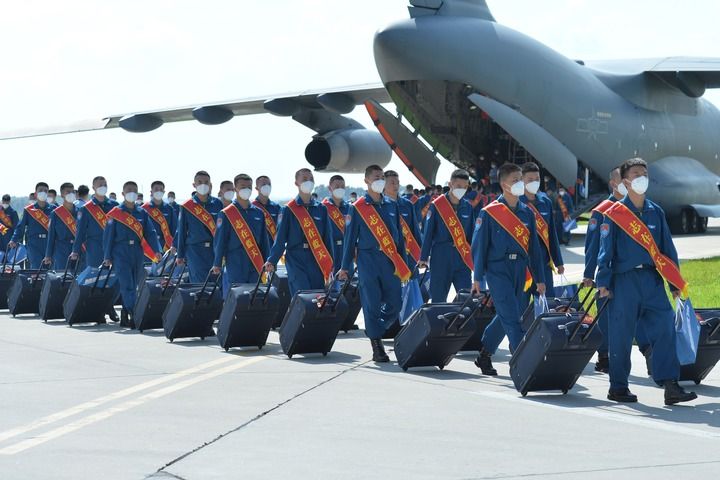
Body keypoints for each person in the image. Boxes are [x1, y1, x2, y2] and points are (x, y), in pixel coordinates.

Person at [597, 158, 696, 405]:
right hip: (624, 281)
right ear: (626, 181)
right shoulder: (615, 214)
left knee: (665, 329)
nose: (642, 178)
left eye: (645, 173)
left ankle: (670, 385)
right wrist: (603, 282)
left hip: (652, 280)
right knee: (621, 335)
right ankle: (618, 386)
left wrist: (675, 283)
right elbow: (605, 251)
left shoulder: (655, 211)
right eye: (636, 174)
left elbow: (667, 250)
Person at [471, 163, 546, 375]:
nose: (520, 184)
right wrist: (477, 277)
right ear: (504, 184)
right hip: (497, 269)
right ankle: (523, 363)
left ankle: (484, 353)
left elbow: (534, 249)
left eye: (521, 180)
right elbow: (479, 247)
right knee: (512, 317)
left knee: (509, 314)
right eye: (515, 180)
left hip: (520, 269)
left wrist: (540, 278)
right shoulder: (489, 212)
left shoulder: (527, 213)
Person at [338, 165, 409, 362]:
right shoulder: (357, 207)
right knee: (372, 304)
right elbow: (349, 240)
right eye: (376, 177)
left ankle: (376, 329)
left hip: (390, 260)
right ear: (367, 181)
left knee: (396, 302)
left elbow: (398, 237)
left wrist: (403, 264)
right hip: (367, 260)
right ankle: (377, 345)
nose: (380, 180)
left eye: (382, 177)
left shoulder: (391, 205)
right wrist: (345, 267)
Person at [583, 168, 651, 374]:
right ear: (614, 184)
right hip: (608, 273)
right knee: (606, 317)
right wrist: (588, 273)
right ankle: (605, 356)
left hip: (631, 274)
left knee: (637, 315)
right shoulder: (602, 210)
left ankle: (649, 353)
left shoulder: (637, 208)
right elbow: (593, 245)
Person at [263, 168, 334, 295]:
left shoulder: (321, 209)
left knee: (318, 296)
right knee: (302, 295)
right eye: (305, 179)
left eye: (311, 179)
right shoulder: (288, 209)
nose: (309, 182)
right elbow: (280, 239)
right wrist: (272, 260)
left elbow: (328, 238)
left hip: (316, 258)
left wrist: (331, 263)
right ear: (296, 183)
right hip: (296, 258)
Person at [104, 181, 162, 326]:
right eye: (129, 190)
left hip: (137, 251)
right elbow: (108, 237)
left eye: (134, 191)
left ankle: (125, 314)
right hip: (120, 252)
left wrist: (157, 250)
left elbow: (150, 233)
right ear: (123, 193)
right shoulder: (115, 213)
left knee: (135, 285)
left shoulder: (142, 213)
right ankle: (135, 314)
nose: (132, 193)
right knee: (127, 285)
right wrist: (107, 257)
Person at [419, 169, 475, 302]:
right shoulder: (437, 205)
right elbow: (428, 233)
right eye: (459, 186)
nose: (462, 189)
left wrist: (476, 258)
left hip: (462, 257)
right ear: (450, 184)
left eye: (465, 187)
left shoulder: (467, 206)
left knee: (466, 298)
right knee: (438, 299)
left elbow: (472, 235)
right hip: (441, 256)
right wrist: (423, 257)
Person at [71, 176, 120, 322]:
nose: (102, 187)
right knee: (96, 280)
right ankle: (98, 311)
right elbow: (80, 233)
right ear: (93, 188)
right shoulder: (86, 209)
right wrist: (75, 250)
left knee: (116, 280)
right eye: (100, 185)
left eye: (105, 184)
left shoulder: (115, 206)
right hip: (94, 248)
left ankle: (109, 306)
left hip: (114, 247)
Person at [212, 174, 270, 289]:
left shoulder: (258, 213)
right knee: (237, 294)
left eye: (249, 187)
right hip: (235, 261)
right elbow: (220, 241)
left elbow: (264, 240)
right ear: (235, 189)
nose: (246, 190)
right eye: (243, 187)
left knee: (256, 294)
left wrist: (268, 260)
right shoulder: (226, 213)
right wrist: (217, 263)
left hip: (255, 260)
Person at [519, 162, 565, 298]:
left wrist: (558, 261)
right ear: (522, 180)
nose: (534, 182)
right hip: (523, 265)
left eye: (537, 179)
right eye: (530, 180)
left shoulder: (545, 202)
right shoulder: (516, 202)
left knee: (547, 303)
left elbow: (551, 234)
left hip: (543, 262)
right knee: (521, 306)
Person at [176, 171, 223, 283]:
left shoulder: (217, 203)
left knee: (216, 283)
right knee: (199, 284)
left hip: (214, 250)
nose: (203, 185)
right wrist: (180, 255)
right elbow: (182, 232)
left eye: (206, 182)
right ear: (194, 185)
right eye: (200, 182)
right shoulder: (187, 206)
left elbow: (222, 230)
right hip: (195, 250)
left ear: (210, 184)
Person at [9, 182, 55, 269]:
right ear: (35, 194)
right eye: (40, 190)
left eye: (45, 191)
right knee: (36, 270)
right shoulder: (29, 210)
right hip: (34, 244)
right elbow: (20, 227)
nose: (43, 192)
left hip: (49, 243)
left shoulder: (54, 210)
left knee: (50, 272)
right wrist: (14, 239)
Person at [384, 171, 422, 274]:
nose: (396, 185)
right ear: (383, 184)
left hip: (408, 252)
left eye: (397, 182)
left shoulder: (407, 204)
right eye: (392, 183)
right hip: (388, 253)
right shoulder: (379, 205)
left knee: (411, 279)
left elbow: (415, 230)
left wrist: (421, 253)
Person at [44, 183, 84, 271]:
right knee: (61, 276)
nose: (71, 194)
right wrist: (48, 255)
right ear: (62, 194)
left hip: (78, 251)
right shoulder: (56, 213)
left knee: (77, 277)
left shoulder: (80, 212)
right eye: (68, 192)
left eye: (73, 192)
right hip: (61, 251)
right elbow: (51, 236)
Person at [322, 175, 350, 271]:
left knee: (348, 277)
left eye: (342, 187)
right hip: (330, 249)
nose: (340, 189)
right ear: (330, 188)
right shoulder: (323, 208)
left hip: (346, 249)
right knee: (331, 277)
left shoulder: (350, 208)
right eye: (337, 187)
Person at [142, 181, 177, 254]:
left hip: (167, 247)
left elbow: (175, 229)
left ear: (164, 192)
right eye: (156, 189)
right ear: (151, 192)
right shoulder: (144, 209)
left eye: (161, 189)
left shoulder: (169, 209)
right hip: (150, 248)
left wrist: (175, 245)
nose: (159, 191)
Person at [252, 176, 281, 242]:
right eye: (263, 184)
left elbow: (281, 229)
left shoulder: (277, 207)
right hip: (257, 247)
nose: (267, 186)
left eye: (269, 184)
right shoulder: (252, 208)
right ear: (256, 188)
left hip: (273, 246)